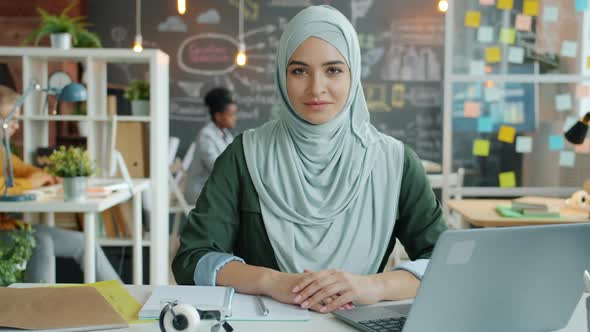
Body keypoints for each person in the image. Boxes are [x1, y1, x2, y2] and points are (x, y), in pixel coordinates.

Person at [173, 5, 446, 314]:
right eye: (299, 71)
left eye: (333, 70)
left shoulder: (395, 163)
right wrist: (272, 281)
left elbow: (444, 263)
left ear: (354, 74)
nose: (316, 88)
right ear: (281, 74)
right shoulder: (244, 156)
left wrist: (372, 286)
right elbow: (192, 259)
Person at [0, 85, 120, 283]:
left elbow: (26, 171)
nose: (16, 125)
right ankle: (42, 311)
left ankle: (123, 302)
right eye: (11, 119)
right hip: (6, 231)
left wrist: (49, 178)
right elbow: (6, 186)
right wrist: (33, 182)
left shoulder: (2, 152)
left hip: (9, 227)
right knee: (40, 242)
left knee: (85, 243)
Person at [184, 87, 238, 204]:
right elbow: (218, 167)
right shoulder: (206, 136)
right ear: (218, 116)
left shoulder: (227, 135)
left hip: (218, 190)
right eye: (231, 115)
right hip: (200, 191)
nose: (235, 118)